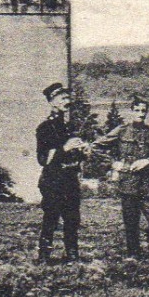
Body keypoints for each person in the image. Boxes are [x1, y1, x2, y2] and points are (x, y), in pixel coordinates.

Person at [92, 97, 149, 258]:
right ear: (131, 111)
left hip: (148, 182)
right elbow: (96, 147)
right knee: (131, 221)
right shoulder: (122, 130)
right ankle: (134, 254)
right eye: (137, 110)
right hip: (128, 182)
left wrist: (148, 161)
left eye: (144, 111)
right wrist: (113, 164)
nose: (141, 114)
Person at [34, 82, 87, 263]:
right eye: (63, 98)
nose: (67, 101)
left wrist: (82, 151)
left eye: (68, 97)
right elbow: (43, 159)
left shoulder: (68, 127)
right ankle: (44, 256)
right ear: (53, 102)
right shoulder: (45, 128)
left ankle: (72, 255)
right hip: (53, 181)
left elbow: (74, 154)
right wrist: (64, 148)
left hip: (70, 179)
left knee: (72, 219)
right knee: (51, 219)